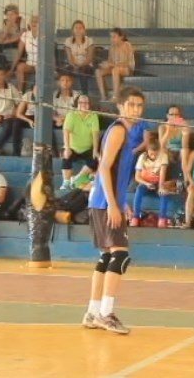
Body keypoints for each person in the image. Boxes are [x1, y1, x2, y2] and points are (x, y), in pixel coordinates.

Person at [81, 86, 145, 335]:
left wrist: (121, 200)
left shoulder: (129, 133)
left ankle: (92, 312)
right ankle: (106, 314)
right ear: (120, 107)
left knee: (107, 256)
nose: (136, 110)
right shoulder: (119, 130)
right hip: (104, 203)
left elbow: (117, 173)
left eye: (139, 105)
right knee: (120, 255)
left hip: (105, 201)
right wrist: (113, 204)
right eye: (130, 105)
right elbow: (104, 167)